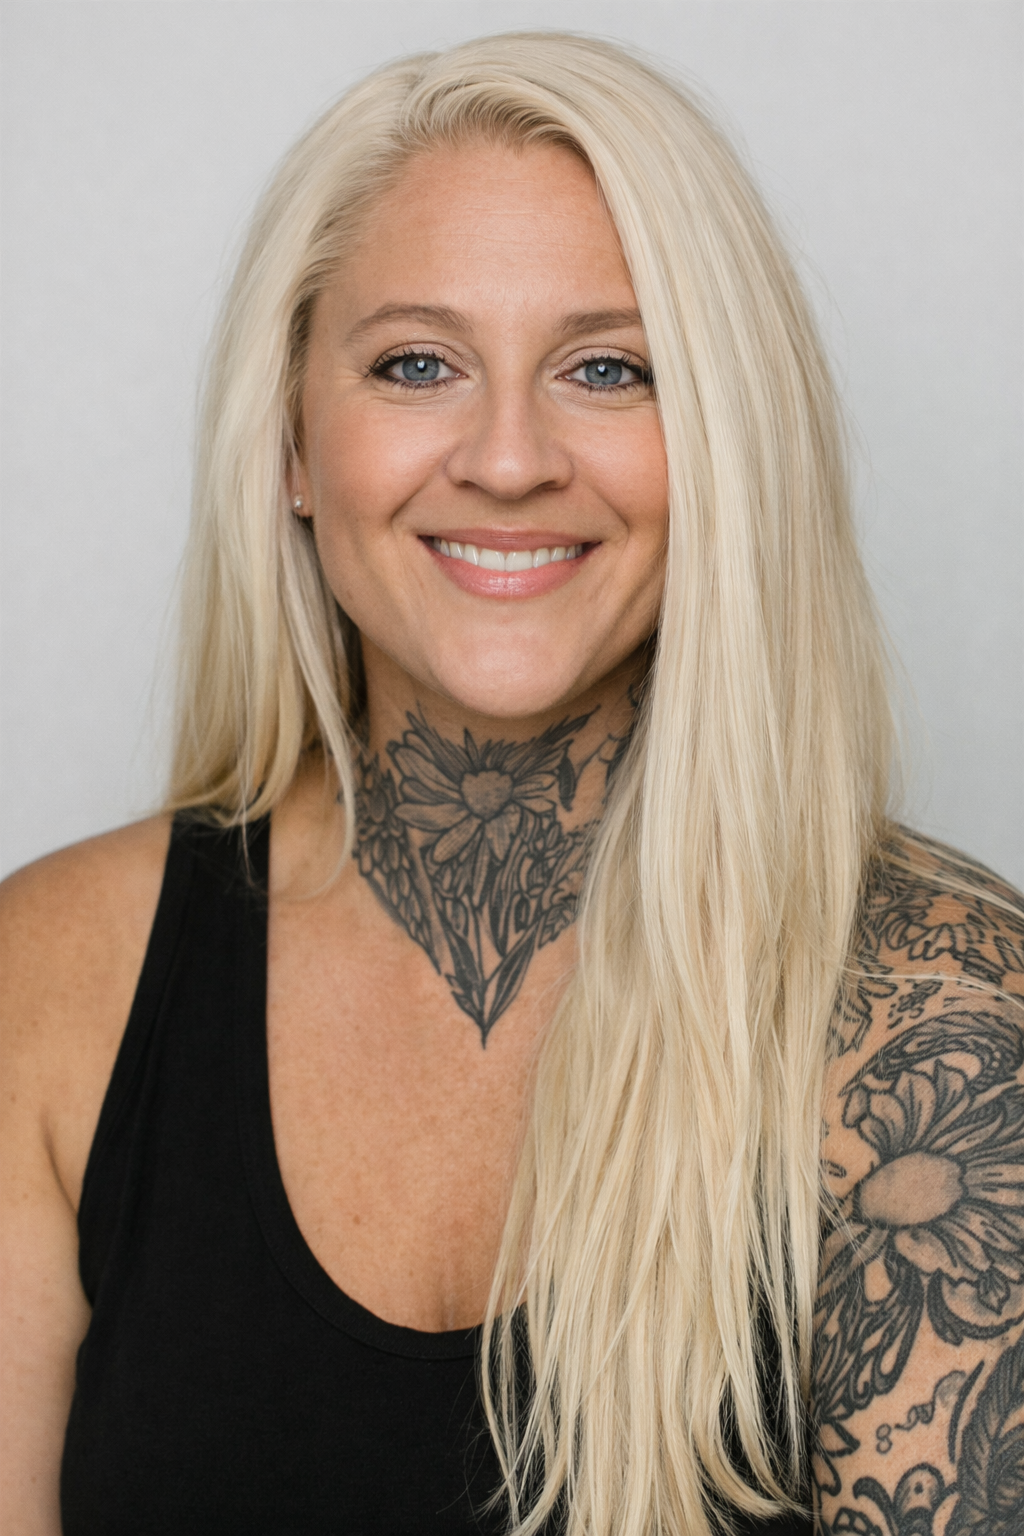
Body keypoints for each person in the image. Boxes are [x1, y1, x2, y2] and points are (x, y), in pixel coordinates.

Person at [2, 31, 1022, 1536]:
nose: (506, 456)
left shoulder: (947, 1012)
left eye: (608, 368)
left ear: (724, 443)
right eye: (418, 363)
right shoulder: (52, 983)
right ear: (293, 438)